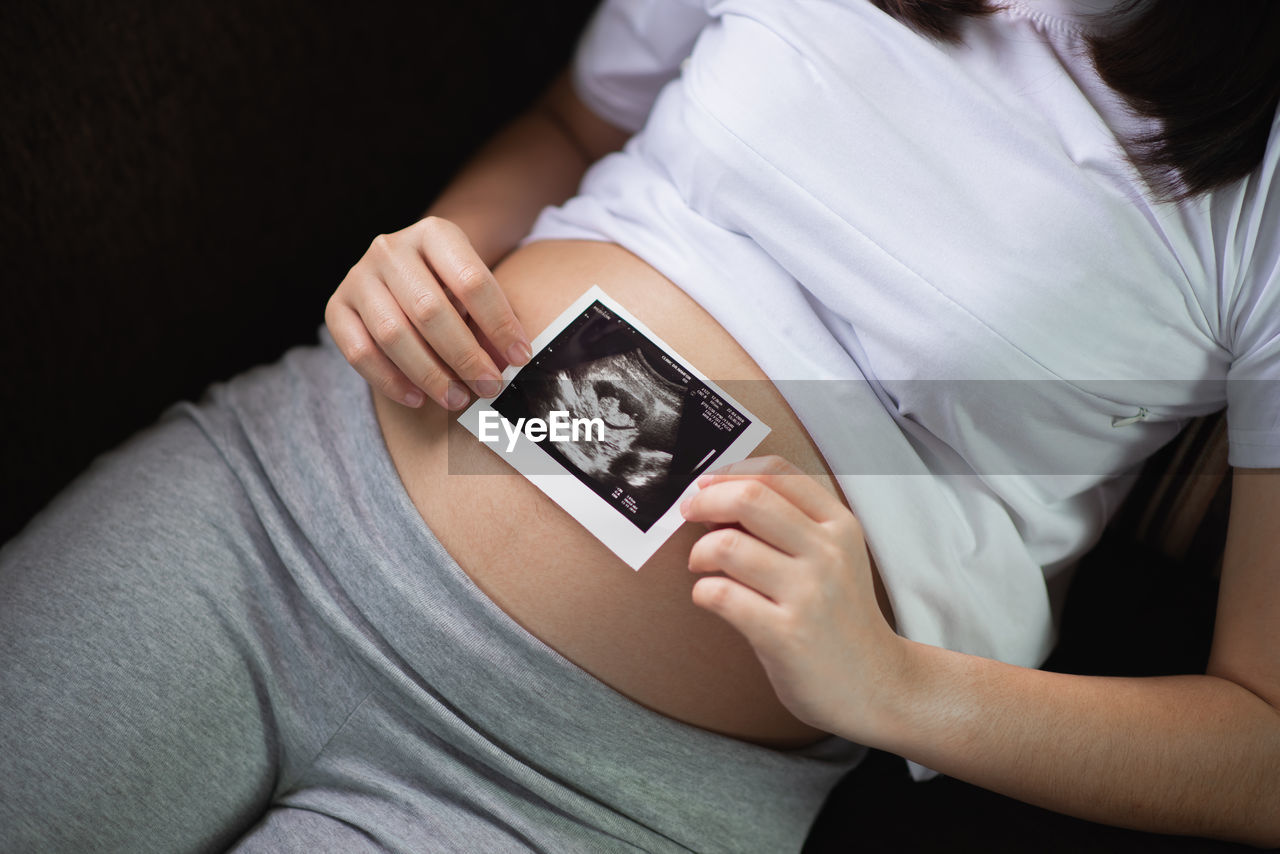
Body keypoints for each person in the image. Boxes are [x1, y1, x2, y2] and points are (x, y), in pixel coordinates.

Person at [2, 0, 1278, 851]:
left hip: (588, 799)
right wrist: (426, 257)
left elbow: (1257, 740)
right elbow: (572, 123)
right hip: (276, 517)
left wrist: (902, 692)